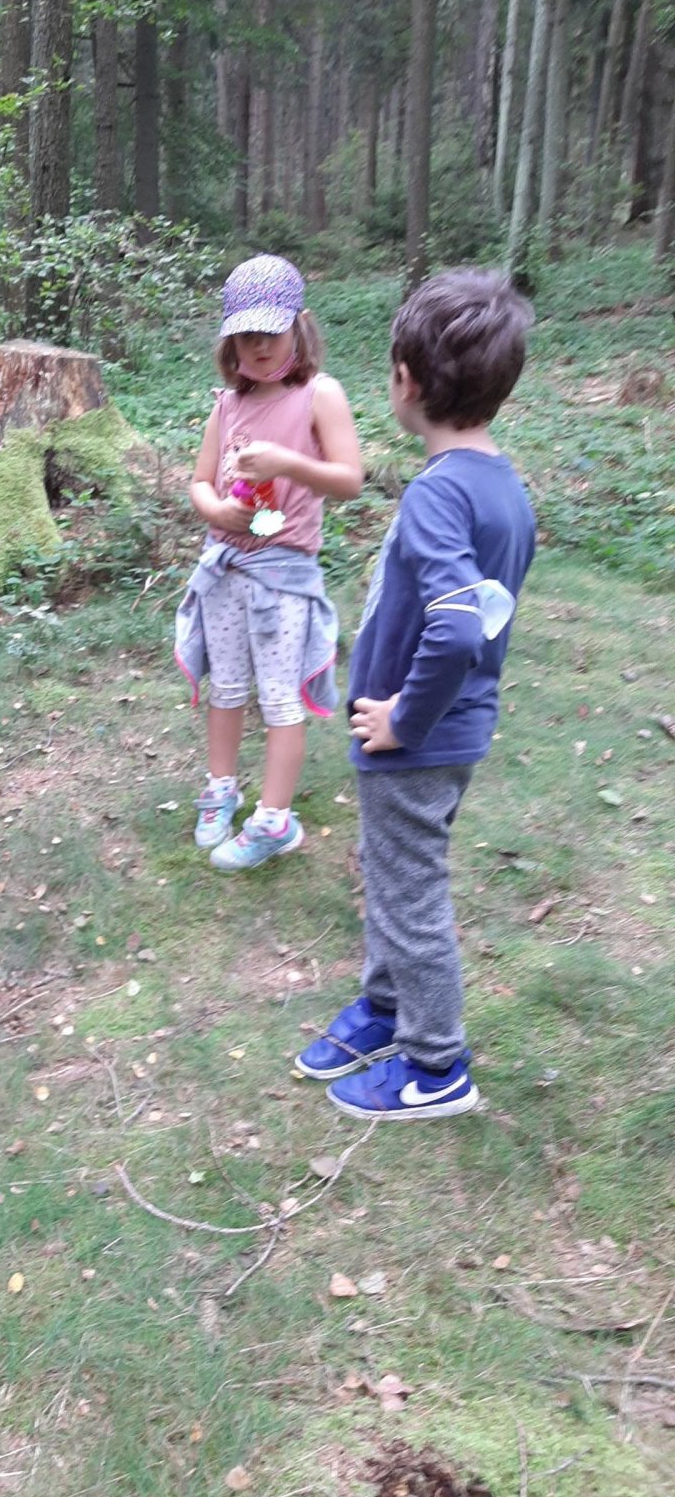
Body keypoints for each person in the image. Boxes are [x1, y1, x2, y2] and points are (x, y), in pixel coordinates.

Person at [296, 269, 536, 1120]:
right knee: (394, 875)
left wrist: (403, 718)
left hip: (418, 739)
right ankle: (386, 1006)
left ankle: (436, 1065)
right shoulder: (503, 485)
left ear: (405, 380)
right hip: (455, 731)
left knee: (410, 894)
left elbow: (462, 627)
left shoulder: (439, 492)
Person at [175, 253, 363, 870]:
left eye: (271, 333)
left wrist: (287, 464)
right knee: (227, 687)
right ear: (229, 341)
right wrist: (217, 511)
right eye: (246, 335)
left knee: (281, 696)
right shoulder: (227, 406)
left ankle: (274, 819)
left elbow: (349, 479)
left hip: (283, 575)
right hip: (226, 567)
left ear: (299, 327)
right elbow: (200, 481)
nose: (259, 347)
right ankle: (221, 789)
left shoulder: (318, 395)